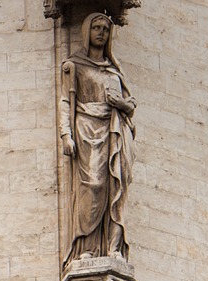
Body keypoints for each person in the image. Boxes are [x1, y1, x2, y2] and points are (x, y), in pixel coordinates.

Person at [59, 12, 136, 267]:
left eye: (105, 29)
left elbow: (130, 103)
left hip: (114, 130)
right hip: (86, 130)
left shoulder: (114, 70)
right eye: (96, 28)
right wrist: (66, 134)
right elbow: (65, 101)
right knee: (91, 186)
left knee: (115, 185)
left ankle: (113, 247)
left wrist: (121, 104)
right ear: (87, 32)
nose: (101, 33)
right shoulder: (75, 65)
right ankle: (87, 247)